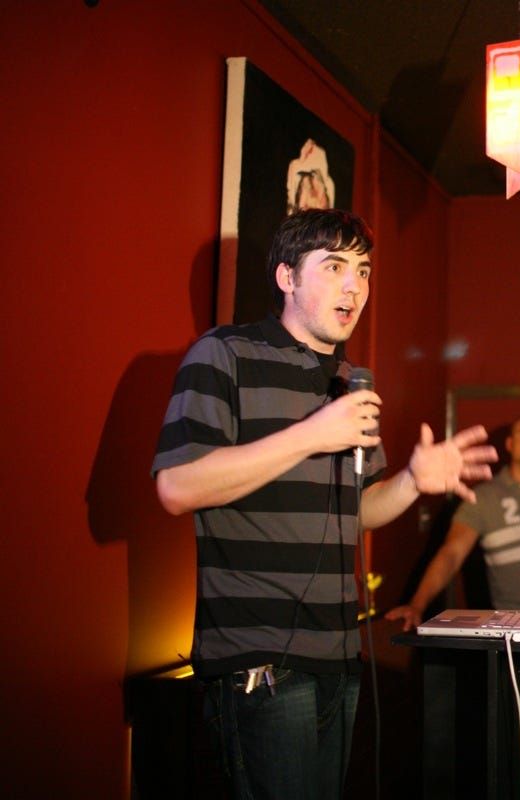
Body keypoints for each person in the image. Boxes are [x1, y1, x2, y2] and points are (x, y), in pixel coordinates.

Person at [152, 209, 497, 800]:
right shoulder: (223, 354)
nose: (354, 286)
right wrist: (313, 434)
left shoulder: (348, 383)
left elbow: (361, 509)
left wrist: (414, 480)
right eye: (334, 266)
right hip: (259, 665)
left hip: (338, 658)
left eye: (362, 270)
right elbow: (177, 488)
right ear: (287, 277)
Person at [388, 414, 520, 629]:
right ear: (510, 444)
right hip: (514, 623)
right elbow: (452, 553)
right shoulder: (482, 497)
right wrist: (417, 604)